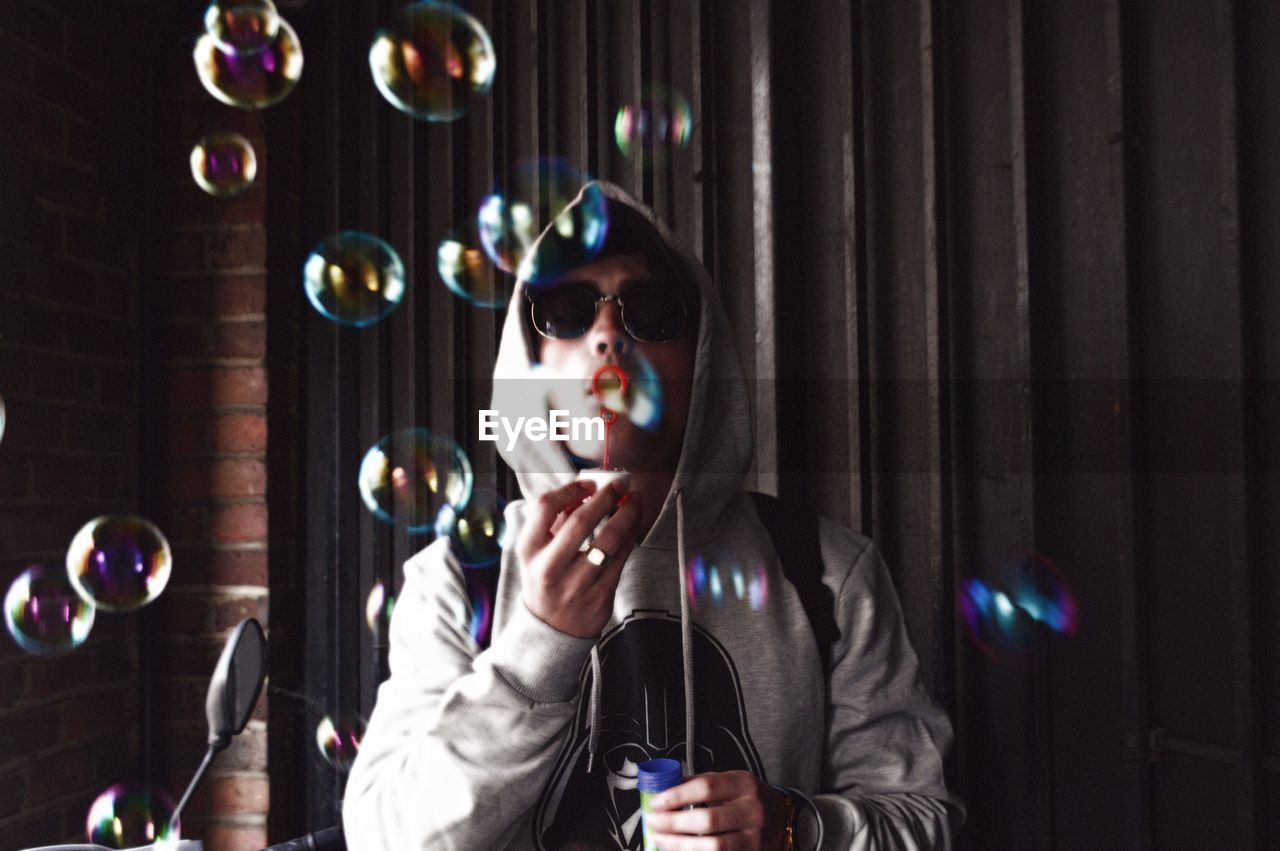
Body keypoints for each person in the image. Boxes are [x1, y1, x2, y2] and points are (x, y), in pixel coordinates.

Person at [342, 182, 963, 849]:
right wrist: (538, 645)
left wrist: (795, 826)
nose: (609, 335)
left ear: (700, 360)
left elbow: (924, 818)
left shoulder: (825, 573)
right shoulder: (461, 576)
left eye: (652, 310)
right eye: (567, 310)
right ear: (529, 360)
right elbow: (385, 836)